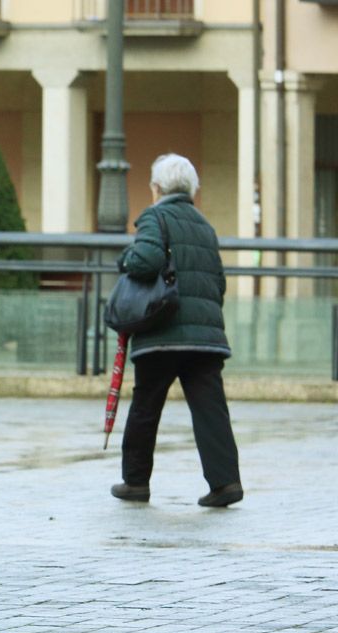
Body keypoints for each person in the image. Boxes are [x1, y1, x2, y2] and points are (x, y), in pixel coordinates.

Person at [110, 154, 243, 508]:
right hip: (206, 336)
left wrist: (124, 259)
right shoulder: (204, 225)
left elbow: (146, 261)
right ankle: (225, 482)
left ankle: (135, 482)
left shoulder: (155, 216)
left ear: (156, 188)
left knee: (146, 406)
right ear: (191, 189)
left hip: (162, 333)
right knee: (210, 409)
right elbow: (218, 281)